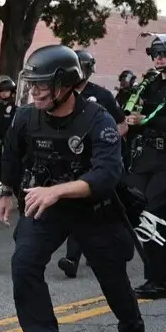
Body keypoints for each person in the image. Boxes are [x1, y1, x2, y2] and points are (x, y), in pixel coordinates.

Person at [0, 44, 147, 332]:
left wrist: (58, 191)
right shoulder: (26, 116)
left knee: (112, 276)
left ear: (65, 85)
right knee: (24, 263)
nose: (35, 92)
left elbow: (108, 173)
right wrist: (6, 192)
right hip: (47, 204)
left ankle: (133, 331)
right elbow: (11, 153)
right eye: (32, 84)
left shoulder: (97, 119)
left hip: (94, 208)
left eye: (43, 84)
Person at [123, 33, 166, 300]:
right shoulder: (150, 83)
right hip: (145, 156)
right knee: (136, 211)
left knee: (152, 215)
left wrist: (146, 121)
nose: (158, 58)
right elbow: (136, 111)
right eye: (155, 54)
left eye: (164, 53)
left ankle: (158, 281)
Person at [56, 50, 129, 278]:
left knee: (110, 209)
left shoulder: (101, 95)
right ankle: (72, 258)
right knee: (77, 207)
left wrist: (104, 141)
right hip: (72, 163)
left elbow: (122, 125)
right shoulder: (58, 94)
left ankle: (116, 248)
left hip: (99, 162)